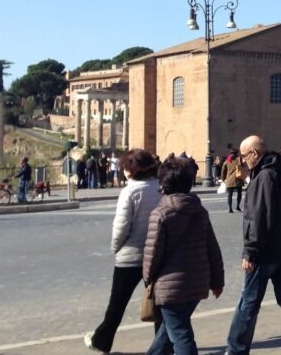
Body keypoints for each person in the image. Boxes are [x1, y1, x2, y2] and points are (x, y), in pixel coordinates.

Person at [226, 135, 281, 355]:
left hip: (263, 254)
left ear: (255, 153)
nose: (243, 161)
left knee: (248, 304)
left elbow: (258, 218)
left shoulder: (264, 177)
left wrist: (250, 252)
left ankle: (235, 350)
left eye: (244, 156)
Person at [85, 150, 165, 354]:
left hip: (130, 256)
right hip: (157, 255)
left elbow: (121, 227)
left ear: (131, 169)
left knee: (117, 305)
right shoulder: (161, 189)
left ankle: (101, 341)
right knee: (158, 305)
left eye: (125, 167)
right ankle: (163, 346)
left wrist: (115, 247)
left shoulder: (130, 192)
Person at [143, 157, 224, 355]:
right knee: (168, 332)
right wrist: (217, 281)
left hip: (171, 287)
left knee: (181, 336)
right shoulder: (200, 211)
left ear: (163, 186)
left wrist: (148, 280)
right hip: (198, 283)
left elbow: (152, 255)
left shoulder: (160, 214)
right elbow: (212, 248)